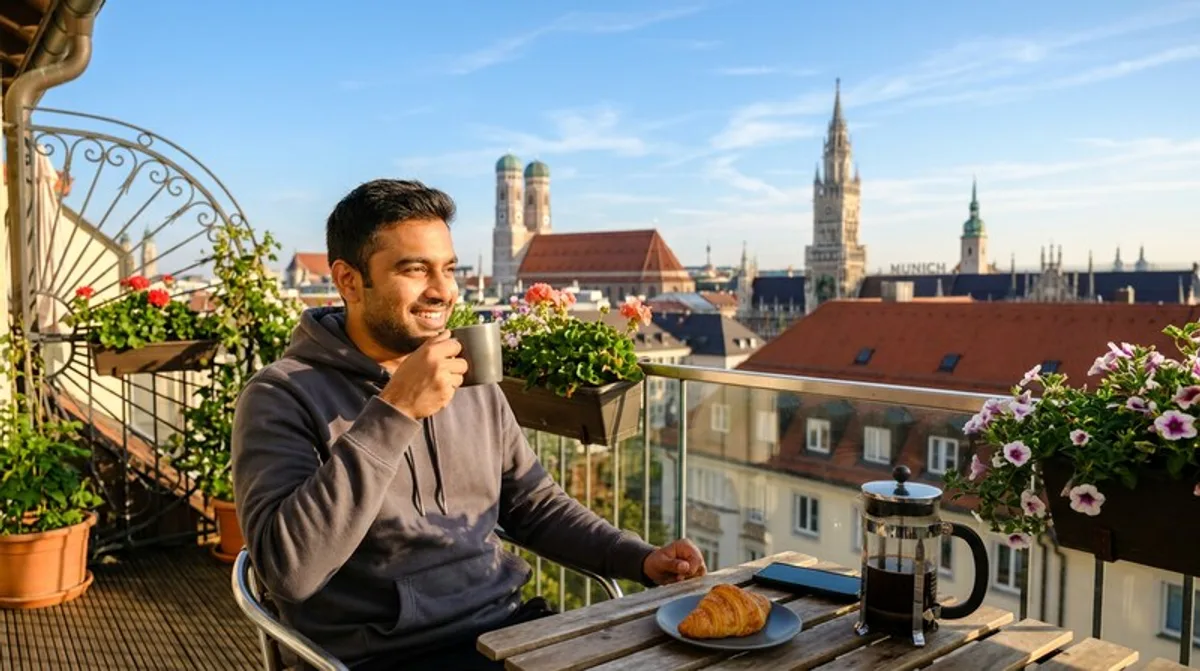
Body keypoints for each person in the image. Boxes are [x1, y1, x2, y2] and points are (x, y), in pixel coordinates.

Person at [230, 179, 706, 670]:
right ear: (349, 280)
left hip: (510, 632)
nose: (443, 291)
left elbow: (535, 506)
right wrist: (396, 411)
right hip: (383, 656)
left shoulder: (470, 377)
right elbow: (289, 571)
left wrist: (639, 558)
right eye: (415, 270)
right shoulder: (280, 396)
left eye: (449, 269)